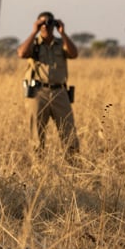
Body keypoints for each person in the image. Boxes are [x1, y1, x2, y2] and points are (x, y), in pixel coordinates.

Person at [17, 11, 80, 160]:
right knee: (37, 136)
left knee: (69, 132)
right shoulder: (34, 44)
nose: (46, 26)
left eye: (48, 23)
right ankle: (38, 170)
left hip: (60, 91)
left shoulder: (61, 44)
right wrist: (34, 31)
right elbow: (21, 53)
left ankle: (74, 167)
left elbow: (74, 53)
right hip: (38, 92)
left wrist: (63, 33)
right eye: (42, 23)